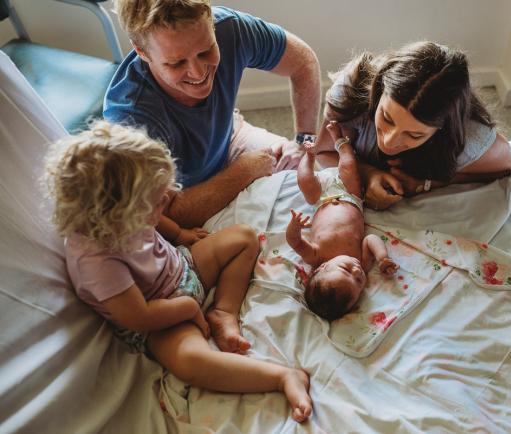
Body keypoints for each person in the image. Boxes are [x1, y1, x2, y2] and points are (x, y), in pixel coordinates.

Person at [44, 121, 312, 422]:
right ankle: (281, 377)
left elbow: (157, 222)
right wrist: (187, 308)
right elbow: (139, 316)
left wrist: (181, 234)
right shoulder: (95, 261)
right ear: (117, 214)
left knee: (244, 238)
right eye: (159, 202)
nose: (168, 200)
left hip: (182, 266)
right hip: (159, 318)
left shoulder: (125, 215)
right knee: (191, 362)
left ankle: (223, 311)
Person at [104, 0, 321, 228]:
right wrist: (244, 171)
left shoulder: (229, 27)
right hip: (181, 192)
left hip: (231, 138)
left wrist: (304, 141)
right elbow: (167, 216)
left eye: (206, 51)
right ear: (142, 52)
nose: (198, 73)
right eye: (176, 63)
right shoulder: (129, 119)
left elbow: (303, 62)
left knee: (313, 182)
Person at [314, 41, 511, 210]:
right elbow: (323, 153)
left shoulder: (468, 134)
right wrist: (367, 174)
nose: (389, 141)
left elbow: (506, 165)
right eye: (386, 117)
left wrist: (426, 184)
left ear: (441, 130)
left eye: (414, 135)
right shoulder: (352, 90)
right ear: (379, 88)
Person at [287, 121, 399, 321]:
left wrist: (294, 227)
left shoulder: (315, 256)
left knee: (304, 179)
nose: (356, 270)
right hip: (350, 196)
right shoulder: (362, 262)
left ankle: (309, 155)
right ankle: (340, 141)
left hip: (320, 199)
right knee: (349, 165)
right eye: (358, 281)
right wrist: (381, 258)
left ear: (322, 269)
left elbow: (294, 241)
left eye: (346, 269)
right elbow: (371, 239)